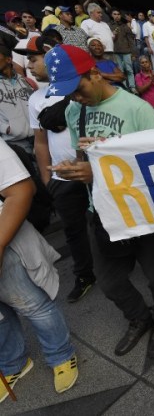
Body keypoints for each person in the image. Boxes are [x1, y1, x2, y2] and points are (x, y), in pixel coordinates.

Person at [46, 44, 154, 359]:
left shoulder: (137, 109)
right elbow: (83, 156)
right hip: (102, 212)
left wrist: (99, 172)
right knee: (109, 281)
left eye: (77, 89)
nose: (75, 98)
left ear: (94, 73)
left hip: (139, 209)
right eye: (68, 94)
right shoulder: (75, 109)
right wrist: (77, 168)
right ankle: (139, 317)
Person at [17, 35, 96, 303]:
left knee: (106, 221)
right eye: (27, 59)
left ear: (51, 57)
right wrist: (47, 176)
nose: (29, 65)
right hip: (62, 176)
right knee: (73, 230)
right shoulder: (35, 99)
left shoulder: (80, 86)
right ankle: (85, 274)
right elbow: (40, 142)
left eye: (34, 58)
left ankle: (126, 263)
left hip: (95, 171)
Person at [0, 136, 79, 403]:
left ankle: (60, 355)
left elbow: (20, 190)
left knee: (33, 304)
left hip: (4, 240)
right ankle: (13, 363)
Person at [0, 44, 34, 153]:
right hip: (13, 141)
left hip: (37, 137)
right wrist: (6, 128)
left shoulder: (26, 81)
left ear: (8, 59)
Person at [135, 55, 154, 124]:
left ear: (149, 63)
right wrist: (150, 81)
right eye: (142, 63)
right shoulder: (138, 76)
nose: (145, 64)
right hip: (147, 106)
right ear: (140, 65)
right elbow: (140, 90)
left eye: (146, 62)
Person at [110, 8, 136, 90]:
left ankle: (132, 87)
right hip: (116, 52)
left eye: (118, 14)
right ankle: (124, 88)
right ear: (112, 15)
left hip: (126, 51)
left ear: (120, 16)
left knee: (129, 70)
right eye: (115, 14)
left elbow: (131, 40)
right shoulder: (109, 26)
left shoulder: (125, 26)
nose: (117, 16)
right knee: (120, 71)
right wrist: (112, 34)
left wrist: (133, 53)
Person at [143, 11, 154, 75]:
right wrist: (149, 48)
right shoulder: (146, 25)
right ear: (149, 16)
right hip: (153, 47)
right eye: (152, 16)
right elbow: (146, 37)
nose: (153, 17)